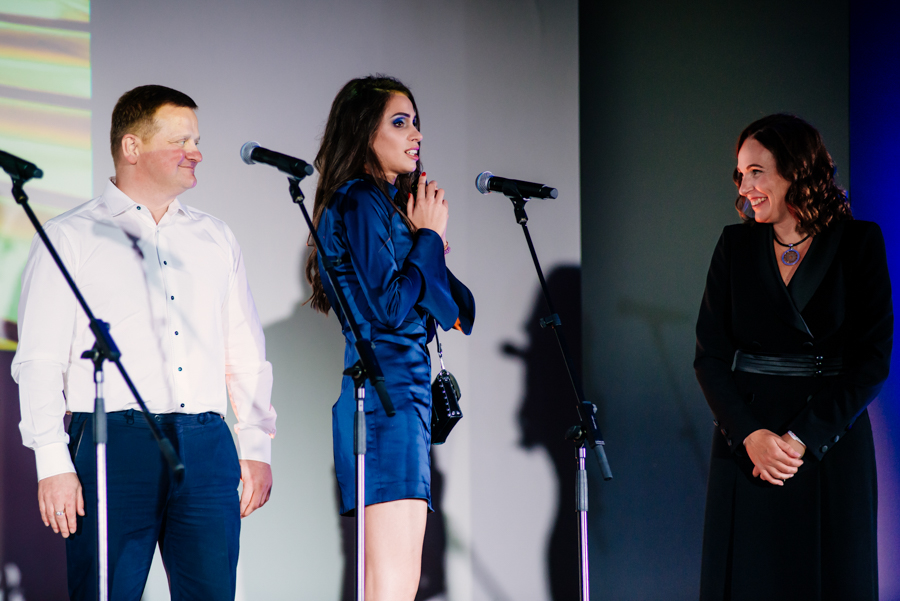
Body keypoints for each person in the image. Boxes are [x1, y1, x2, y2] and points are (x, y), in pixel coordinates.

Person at [12, 85, 277, 600]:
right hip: (114, 442)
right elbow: (39, 360)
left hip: (205, 443)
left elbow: (243, 348)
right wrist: (53, 462)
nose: (196, 152)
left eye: (197, 140)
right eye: (181, 140)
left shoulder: (215, 237)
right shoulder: (70, 236)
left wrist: (255, 444)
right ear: (132, 147)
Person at [694, 113, 892, 600]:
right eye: (740, 174)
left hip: (828, 442)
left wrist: (802, 438)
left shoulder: (859, 242)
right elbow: (710, 357)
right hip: (749, 445)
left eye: (756, 172)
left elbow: (872, 361)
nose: (745, 187)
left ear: (796, 170)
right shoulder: (734, 245)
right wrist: (750, 436)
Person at [305, 75, 475, 600]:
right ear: (364, 132)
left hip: (403, 401)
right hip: (384, 400)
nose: (415, 133)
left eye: (416, 122)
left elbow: (460, 313)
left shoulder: (389, 209)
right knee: (392, 584)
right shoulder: (358, 200)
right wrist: (427, 239)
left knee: (395, 583)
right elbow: (391, 308)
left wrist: (428, 240)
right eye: (400, 122)